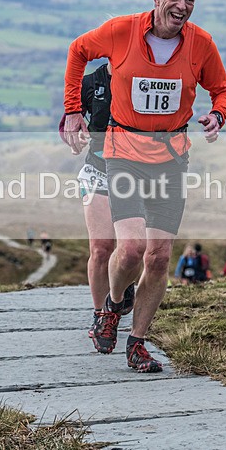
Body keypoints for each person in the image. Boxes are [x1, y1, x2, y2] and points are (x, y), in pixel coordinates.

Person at [63, 0, 226, 372]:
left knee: (158, 258)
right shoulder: (122, 31)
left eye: (190, 0)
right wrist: (72, 112)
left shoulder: (201, 44)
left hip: (172, 158)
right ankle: (110, 306)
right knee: (132, 248)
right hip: (122, 153)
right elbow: (78, 51)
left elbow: (223, 90)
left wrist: (218, 115)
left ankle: (137, 341)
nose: (182, 6)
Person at [59, 62, 137, 349]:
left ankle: (122, 284)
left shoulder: (143, 79)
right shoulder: (92, 82)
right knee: (101, 246)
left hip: (134, 174)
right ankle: (101, 316)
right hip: (98, 171)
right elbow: (69, 120)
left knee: (131, 249)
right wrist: (75, 137)